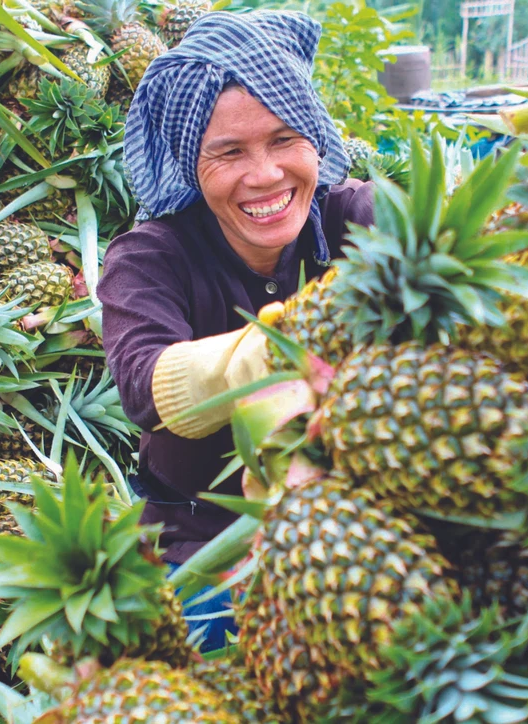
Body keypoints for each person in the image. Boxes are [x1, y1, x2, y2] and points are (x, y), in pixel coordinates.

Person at [97, 10, 375, 650]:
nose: (266, 175)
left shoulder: (360, 217)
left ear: (316, 139)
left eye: (284, 140)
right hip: (206, 544)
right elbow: (144, 381)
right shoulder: (150, 257)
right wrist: (268, 353)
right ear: (192, 166)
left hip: (367, 521)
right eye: (229, 152)